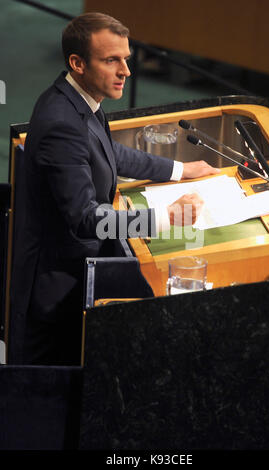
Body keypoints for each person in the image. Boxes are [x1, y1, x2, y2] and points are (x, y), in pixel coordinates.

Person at [9, 12, 219, 366]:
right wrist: (165, 218)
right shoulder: (62, 122)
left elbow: (110, 153)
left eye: (126, 59)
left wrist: (180, 169)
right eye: (111, 61)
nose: (126, 71)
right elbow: (86, 219)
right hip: (57, 296)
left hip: (73, 269)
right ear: (77, 63)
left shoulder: (80, 100)